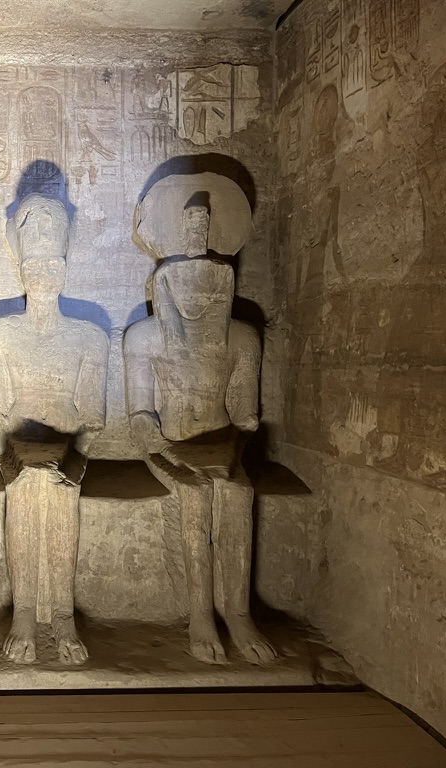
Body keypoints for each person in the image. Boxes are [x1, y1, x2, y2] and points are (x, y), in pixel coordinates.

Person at [125, 173, 276, 665]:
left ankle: (238, 611)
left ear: (223, 286)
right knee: (195, 494)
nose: (195, 296)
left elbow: (245, 419)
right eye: (183, 285)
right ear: (164, 285)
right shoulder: (145, 338)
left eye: (207, 286)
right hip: (167, 448)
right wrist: (169, 449)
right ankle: (200, 614)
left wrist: (229, 455)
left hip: (222, 447)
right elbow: (140, 417)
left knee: (237, 491)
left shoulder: (241, 339)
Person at [0, 194, 108, 664]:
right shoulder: (0, 333)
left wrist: (75, 458)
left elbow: (92, 417)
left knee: (59, 499)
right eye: (34, 265)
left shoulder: (89, 337)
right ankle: (25, 614)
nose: (43, 274)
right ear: (21, 269)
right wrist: (7, 459)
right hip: (18, 450)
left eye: (53, 264)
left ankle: (63, 615)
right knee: (25, 492)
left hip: (67, 451)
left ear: (65, 268)